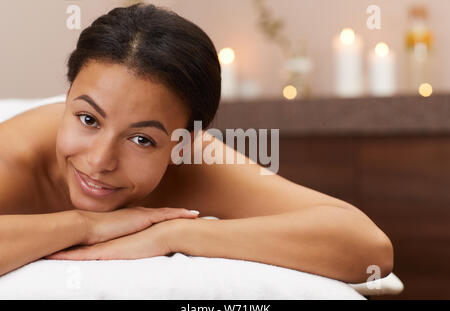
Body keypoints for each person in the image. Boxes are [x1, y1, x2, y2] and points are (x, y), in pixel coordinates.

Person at [0, 3, 393, 283]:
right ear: (67, 97)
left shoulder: (193, 161)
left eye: (141, 139)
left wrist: (174, 235)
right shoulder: (14, 157)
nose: (100, 160)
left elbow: (369, 247)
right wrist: (86, 225)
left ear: (183, 145)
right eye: (87, 119)